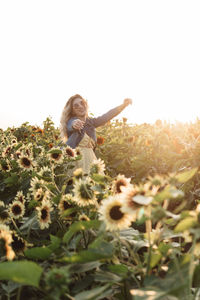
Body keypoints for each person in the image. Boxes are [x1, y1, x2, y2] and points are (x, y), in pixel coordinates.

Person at [60, 94, 132, 174]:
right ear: (72, 111)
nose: (80, 106)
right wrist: (74, 124)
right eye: (76, 106)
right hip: (76, 162)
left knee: (96, 183)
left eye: (82, 103)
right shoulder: (72, 121)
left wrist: (123, 105)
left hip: (91, 160)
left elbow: (107, 116)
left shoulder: (91, 123)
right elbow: (70, 125)